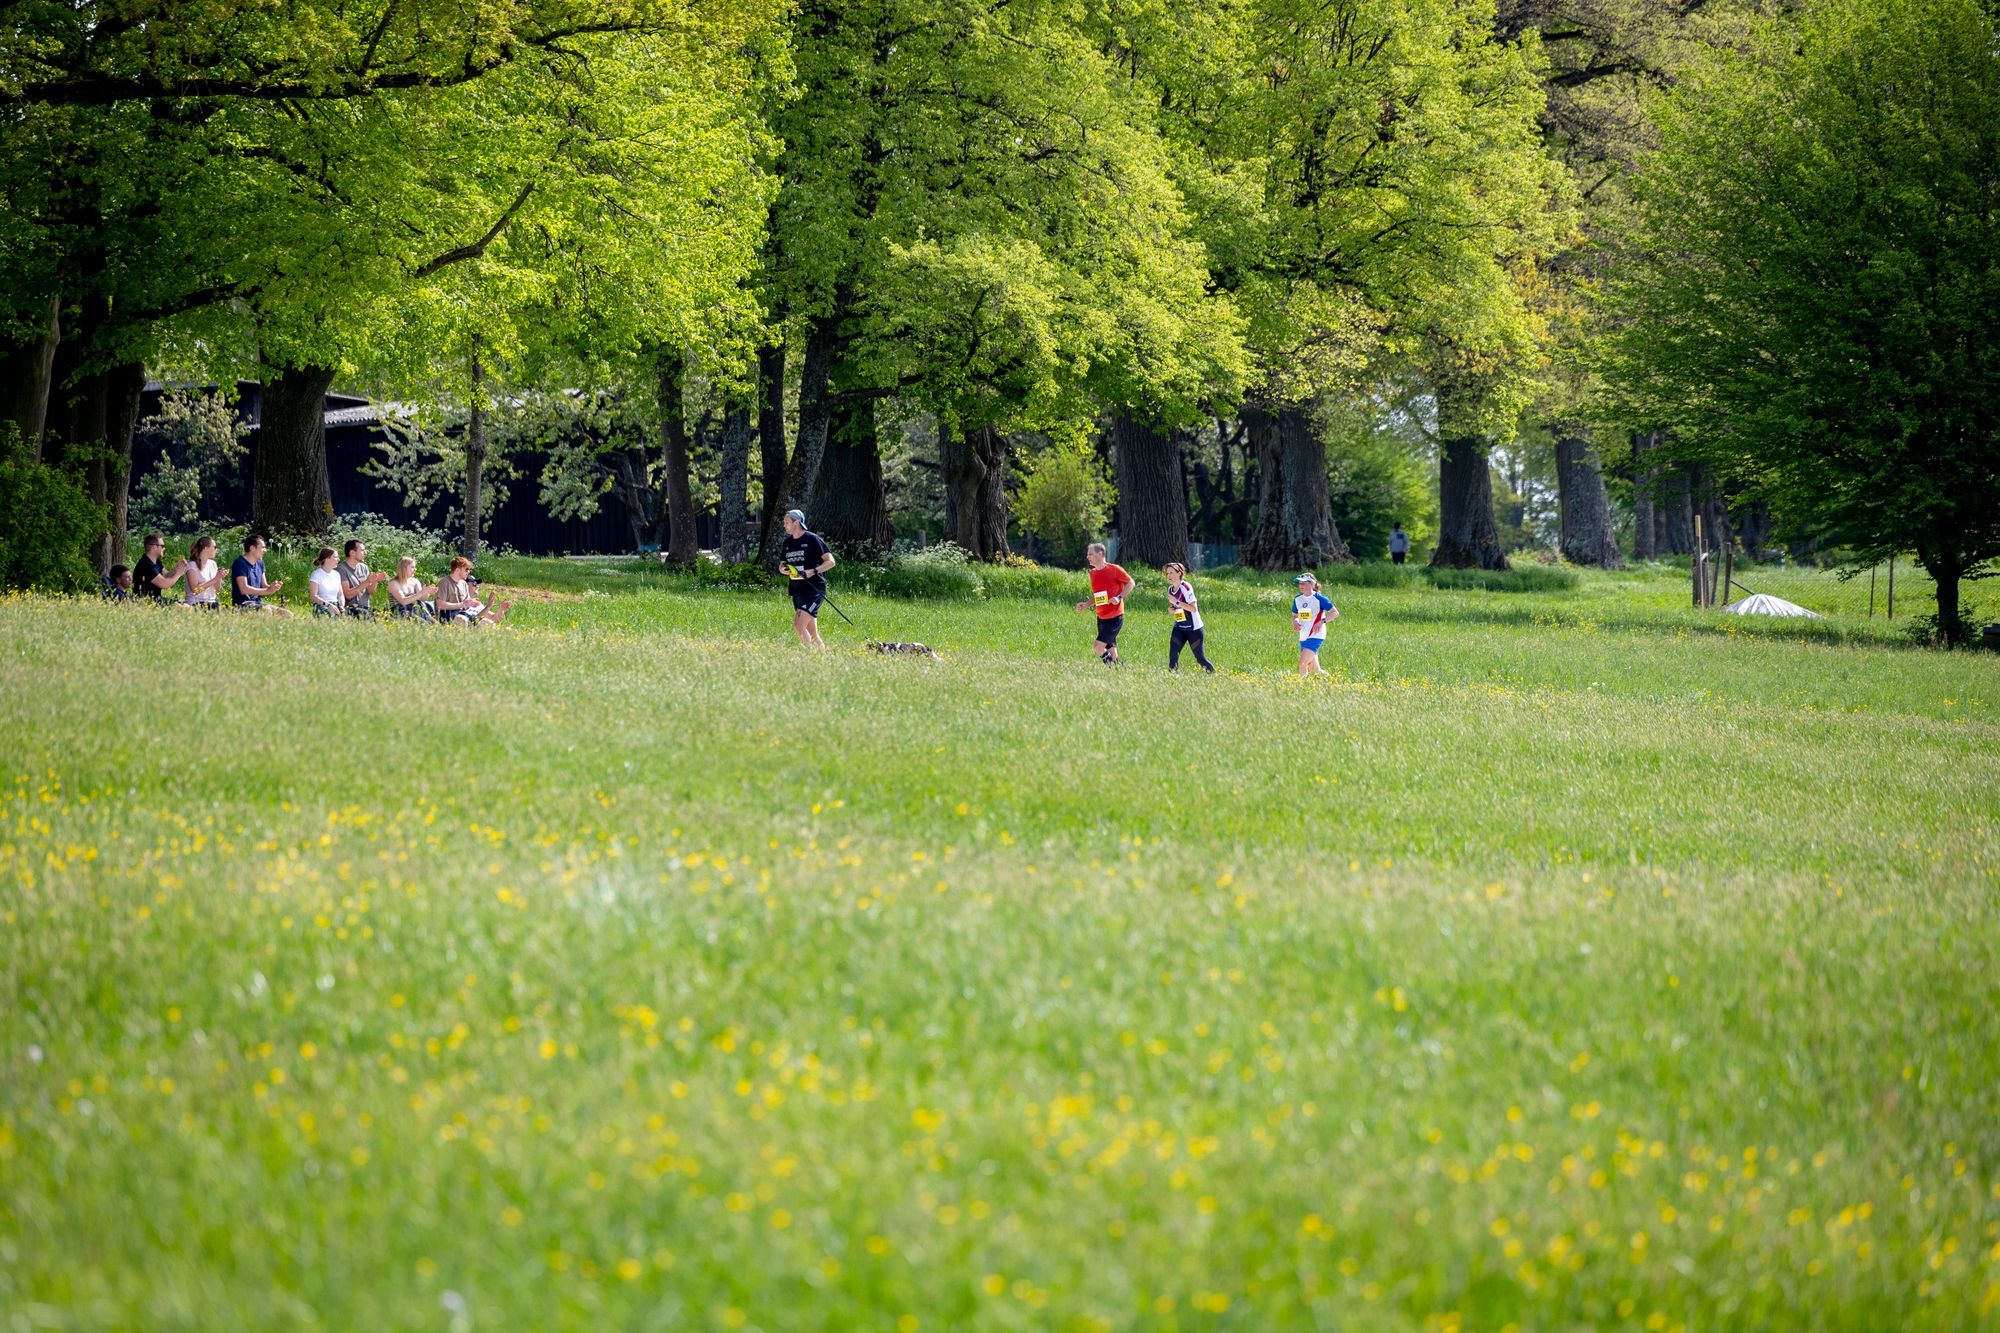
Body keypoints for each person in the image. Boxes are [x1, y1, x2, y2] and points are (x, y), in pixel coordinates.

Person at [779, 509, 835, 647]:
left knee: (798, 625)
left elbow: (831, 562)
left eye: (786, 522)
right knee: (812, 633)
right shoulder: (787, 543)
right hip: (797, 589)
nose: (784, 525)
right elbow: (782, 565)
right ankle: (824, 659)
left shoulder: (812, 539)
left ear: (796, 522)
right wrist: (783, 570)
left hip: (814, 589)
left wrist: (813, 571)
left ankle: (808, 656)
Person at [1074, 541, 1132, 666]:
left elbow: (1131, 583)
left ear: (1100, 554)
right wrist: (1086, 605)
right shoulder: (1093, 573)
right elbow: (1098, 595)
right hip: (1101, 617)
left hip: (1115, 617)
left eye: (1090, 554)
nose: (1087, 557)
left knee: (1098, 647)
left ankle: (1110, 668)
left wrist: (1119, 597)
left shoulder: (1114, 569)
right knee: (1113, 653)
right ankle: (1119, 670)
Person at [1162, 561, 1215, 673]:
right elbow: (1175, 608)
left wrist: (1176, 602)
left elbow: (1193, 608)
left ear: (1179, 573)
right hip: (1179, 627)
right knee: (1173, 655)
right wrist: (1171, 610)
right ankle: (1172, 678)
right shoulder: (1170, 589)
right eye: (1167, 573)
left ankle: (1213, 674)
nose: (1169, 575)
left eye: (1171, 572)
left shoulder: (1185, 587)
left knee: (1200, 659)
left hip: (1194, 629)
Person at [436, 556, 511, 625]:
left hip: (463, 613)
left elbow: (467, 604)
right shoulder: (445, 582)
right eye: (466, 569)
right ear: (457, 570)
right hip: (448, 615)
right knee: (462, 619)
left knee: (488, 623)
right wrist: (463, 604)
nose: (468, 572)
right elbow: (440, 605)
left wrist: (473, 603)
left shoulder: (463, 584)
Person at [1291, 572, 1338, 677]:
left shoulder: (1320, 598)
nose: (1300, 585)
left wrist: (1321, 622)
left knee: (1302, 663)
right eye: (1299, 583)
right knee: (1314, 670)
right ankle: (1333, 680)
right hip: (1303, 635)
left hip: (1316, 635)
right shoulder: (1298, 599)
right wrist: (1296, 621)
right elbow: (1295, 615)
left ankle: (1302, 687)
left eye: (1303, 583)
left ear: (1312, 584)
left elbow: (1335, 613)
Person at [230, 534, 289, 614]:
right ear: (252, 548)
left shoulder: (260, 563)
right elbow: (244, 589)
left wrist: (272, 587)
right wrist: (267, 591)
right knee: (266, 610)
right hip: (242, 604)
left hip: (258, 603)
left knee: (286, 614)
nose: (265, 550)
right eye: (263, 547)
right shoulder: (239, 563)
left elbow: (264, 586)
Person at [337, 539, 387, 618]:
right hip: (351, 609)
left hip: (365, 608)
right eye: (362, 550)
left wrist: (375, 581)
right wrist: (367, 582)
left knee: (386, 617)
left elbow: (370, 592)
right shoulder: (340, 569)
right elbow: (348, 595)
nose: (365, 553)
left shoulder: (364, 567)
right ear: (352, 553)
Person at [132, 533, 188, 602]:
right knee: (186, 607)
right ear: (154, 547)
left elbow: (167, 575)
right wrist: (178, 574)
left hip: (156, 600)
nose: (164, 548)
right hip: (146, 602)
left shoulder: (156, 561)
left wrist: (177, 568)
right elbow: (164, 584)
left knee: (185, 603)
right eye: (162, 546)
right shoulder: (146, 565)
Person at [183, 536, 225, 609]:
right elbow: (195, 590)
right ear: (206, 548)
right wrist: (215, 579)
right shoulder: (192, 565)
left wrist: (219, 577)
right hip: (196, 603)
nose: (216, 550)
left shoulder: (213, 564)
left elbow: (217, 589)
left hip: (211, 602)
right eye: (215, 547)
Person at [307, 546, 346, 617]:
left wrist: (341, 606)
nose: (338, 559)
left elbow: (340, 595)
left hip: (336, 605)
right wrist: (329, 605)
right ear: (327, 559)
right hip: (322, 605)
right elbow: (313, 597)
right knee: (329, 614)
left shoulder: (336, 574)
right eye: (336, 557)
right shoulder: (316, 574)